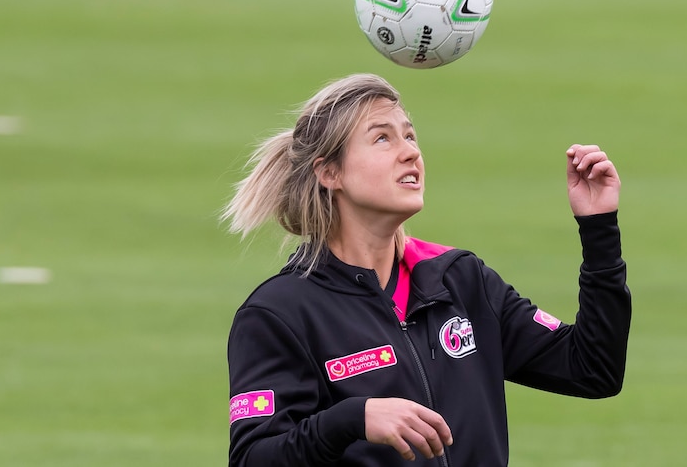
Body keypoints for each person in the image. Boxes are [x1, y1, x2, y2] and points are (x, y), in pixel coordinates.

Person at [222, 73, 631, 466]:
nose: (410, 152)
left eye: (410, 135)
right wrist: (352, 419)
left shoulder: (459, 280)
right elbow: (254, 458)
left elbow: (593, 369)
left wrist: (598, 229)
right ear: (329, 172)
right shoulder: (280, 314)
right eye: (382, 138)